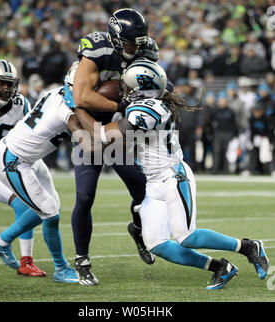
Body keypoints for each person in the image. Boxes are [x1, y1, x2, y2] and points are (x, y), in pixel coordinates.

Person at [71, 58, 269, 290]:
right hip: (154, 183)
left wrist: (76, 108)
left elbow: (99, 136)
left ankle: (249, 247)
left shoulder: (147, 109)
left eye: (127, 85)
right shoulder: (153, 100)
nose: (123, 89)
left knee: (186, 237)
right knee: (156, 244)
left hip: (173, 177)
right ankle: (220, 268)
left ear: (142, 88)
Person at [71, 8, 161, 286]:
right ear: (116, 38)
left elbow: (156, 86)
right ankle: (82, 259)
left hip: (120, 129)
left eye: (140, 39)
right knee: (85, 197)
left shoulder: (147, 52)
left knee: (143, 189)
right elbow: (81, 98)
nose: (138, 45)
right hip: (88, 125)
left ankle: (138, 229)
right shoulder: (96, 50)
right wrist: (120, 105)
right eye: (132, 40)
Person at [0, 62, 82, 284]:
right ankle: (60, 267)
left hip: (28, 158)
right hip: (13, 160)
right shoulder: (66, 109)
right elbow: (86, 136)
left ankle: (2, 242)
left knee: (52, 207)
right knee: (49, 212)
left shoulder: (54, 91)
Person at [0, 59, 46, 277]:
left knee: (28, 206)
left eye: (9, 84)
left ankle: (26, 260)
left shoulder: (21, 104)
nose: (5, 88)